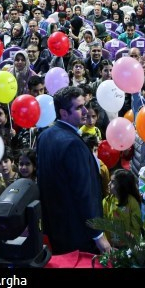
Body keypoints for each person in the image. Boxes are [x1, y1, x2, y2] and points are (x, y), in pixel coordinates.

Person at [36, 86, 111, 254]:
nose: (85, 110)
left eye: (84, 105)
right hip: (78, 232)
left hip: (55, 229)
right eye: (78, 108)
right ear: (63, 113)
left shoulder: (44, 136)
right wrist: (98, 235)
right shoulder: (73, 144)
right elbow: (84, 193)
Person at [102, 169, 142, 248]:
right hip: (111, 246)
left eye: (113, 182)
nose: (109, 184)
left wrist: (132, 245)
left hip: (128, 246)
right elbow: (103, 224)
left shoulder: (132, 202)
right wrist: (107, 245)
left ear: (122, 185)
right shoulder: (106, 201)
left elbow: (136, 227)